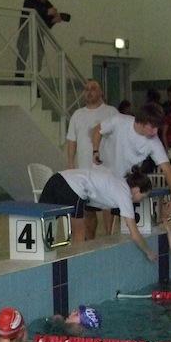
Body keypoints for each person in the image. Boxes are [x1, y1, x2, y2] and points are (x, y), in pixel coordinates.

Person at [38, 166, 157, 261]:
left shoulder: (119, 182)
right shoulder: (124, 193)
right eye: (143, 197)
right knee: (79, 233)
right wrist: (149, 252)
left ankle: (40, 256)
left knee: (42, 223)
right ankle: (78, 264)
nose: (140, 201)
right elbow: (134, 234)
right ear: (137, 190)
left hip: (57, 179)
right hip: (73, 187)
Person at [90, 103, 171, 223]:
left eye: (157, 128)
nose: (155, 131)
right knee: (96, 211)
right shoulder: (119, 121)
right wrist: (95, 151)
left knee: (122, 210)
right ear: (142, 122)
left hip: (125, 179)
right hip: (103, 171)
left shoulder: (154, 142)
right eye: (152, 127)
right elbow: (97, 130)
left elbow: (167, 169)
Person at [66, 79, 118, 238]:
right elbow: (71, 141)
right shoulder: (77, 115)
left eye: (93, 88)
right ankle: (91, 240)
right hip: (84, 170)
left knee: (107, 205)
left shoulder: (111, 112)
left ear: (101, 92)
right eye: (86, 89)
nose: (89, 92)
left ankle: (109, 237)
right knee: (88, 210)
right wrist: (70, 164)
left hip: (106, 169)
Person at [16, 0, 68, 78]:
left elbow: (46, 25)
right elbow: (31, 9)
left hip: (39, 33)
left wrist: (54, 20)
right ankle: (19, 77)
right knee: (23, 53)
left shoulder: (49, 5)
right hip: (27, 30)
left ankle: (36, 79)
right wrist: (47, 12)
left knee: (39, 56)